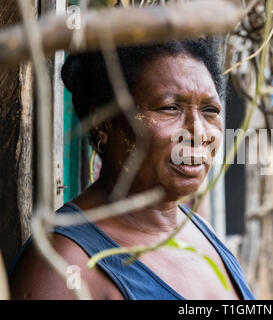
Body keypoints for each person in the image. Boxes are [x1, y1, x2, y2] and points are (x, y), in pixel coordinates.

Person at [8, 39, 254, 300]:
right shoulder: (64, 266)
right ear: (103, 122)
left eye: (209, 110)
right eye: (170, 108)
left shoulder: (200, 230)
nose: (199, 133)